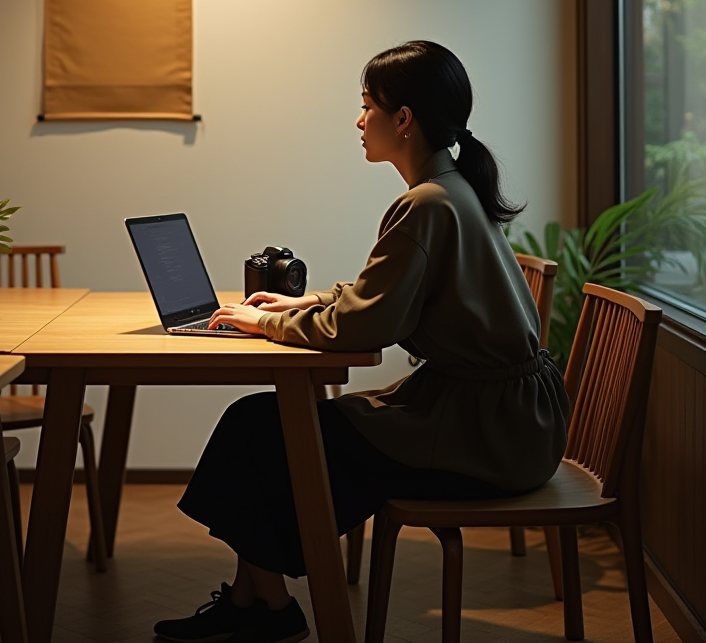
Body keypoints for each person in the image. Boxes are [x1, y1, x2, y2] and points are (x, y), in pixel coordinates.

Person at [153, 40, 571, 643]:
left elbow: (367, 326)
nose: (359, 119)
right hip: (502, 420)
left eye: (367, 104)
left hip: (486, 436)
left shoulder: (427, 203)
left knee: (262, 429)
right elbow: (392, 292)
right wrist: (308, 302)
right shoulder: (448, 190)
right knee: (266, 426)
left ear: (403, 119)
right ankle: (255, 601)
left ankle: (267, 607)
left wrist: (261, 321)